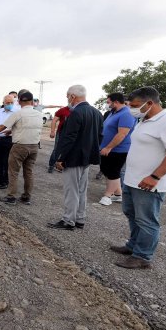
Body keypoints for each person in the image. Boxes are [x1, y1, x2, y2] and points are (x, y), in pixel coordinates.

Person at [110, 86, 166, 269]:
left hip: (150, 183)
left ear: (150, 103)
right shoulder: (144, 120)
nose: (132, 109)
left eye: (135, 105)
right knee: (131, 214)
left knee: (147, 220)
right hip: (133, 180)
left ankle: (142, 256)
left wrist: (155, 176)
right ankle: (133, 246)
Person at [49, 85, 103, 230]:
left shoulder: (76, 113)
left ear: (72, 96)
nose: (67, 99)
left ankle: (68, 220)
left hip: (73, 158)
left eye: (67, 96)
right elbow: (100, 136)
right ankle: (80, 218)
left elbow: (69, 138)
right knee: (81, 190)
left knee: (71, 190)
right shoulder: (97, 112)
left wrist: (60, 158)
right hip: (87, 158)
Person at [0, 91, 42, 205]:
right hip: (34, 147)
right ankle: (26, 197)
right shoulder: (39, 114)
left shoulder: (18, 113)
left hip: (20, 146)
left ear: (19, 101)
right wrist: (11, 131)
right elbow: (28, 127)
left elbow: (1, 126)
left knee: (13, 172)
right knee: (28, 172)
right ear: (32, 102)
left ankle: (11, 197)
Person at [98, 92, 136, 206]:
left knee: (113, 172)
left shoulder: (126, 114)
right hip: (107, 147)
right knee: (106, 169)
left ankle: (107, 196)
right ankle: (119, 194)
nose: (107, 105)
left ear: (116, 102)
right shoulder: (113, 112)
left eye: (109, 102)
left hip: (118, 149)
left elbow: (122, 134)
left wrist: (109, 147)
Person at [48, 106, 71, 173]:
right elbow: (54, 120)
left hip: (71, 134)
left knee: (67, 150)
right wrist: (52, 131)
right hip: (60, 133)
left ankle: (60, 166)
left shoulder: (77, 111)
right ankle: (51, 165)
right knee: (57, 149)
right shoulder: (62, 110)